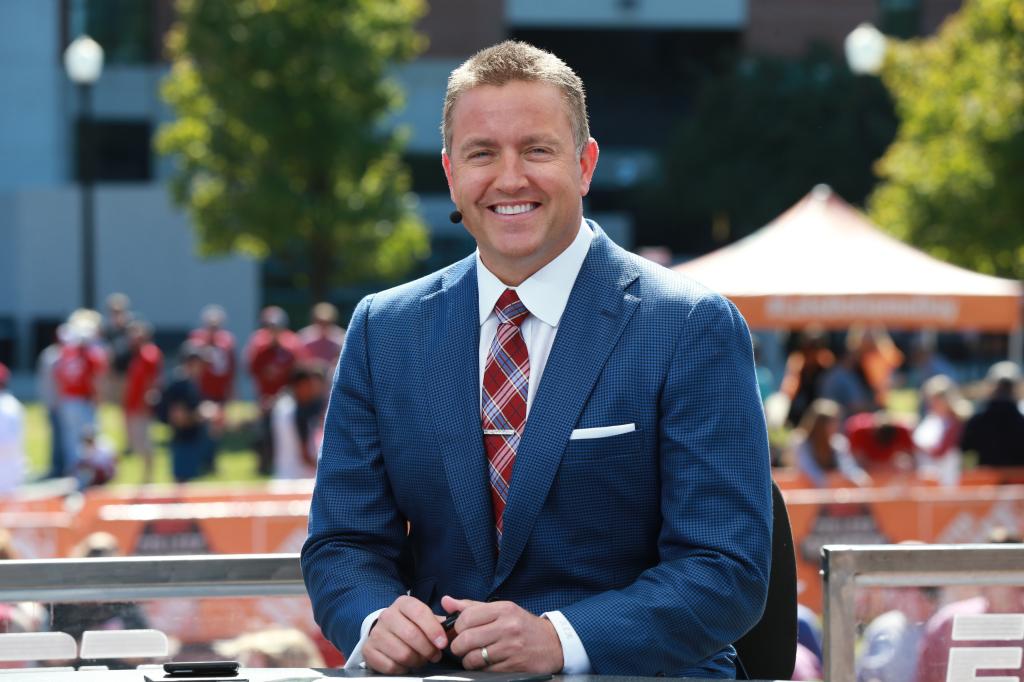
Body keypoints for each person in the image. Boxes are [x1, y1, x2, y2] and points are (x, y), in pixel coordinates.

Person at [301, 41, 771, 678]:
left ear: (585, 164)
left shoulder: (690, 326)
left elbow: (727, 568)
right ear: (450, 173)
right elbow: (343, 542)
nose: (510, 178)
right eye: (482, 153)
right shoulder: (385, 330)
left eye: (537, 149)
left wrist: (561, 639)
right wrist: (373, 617)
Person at [245, 306, 308, 475]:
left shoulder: (292, 344)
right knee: (262, 432)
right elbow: (253, 370)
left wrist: (284, 394)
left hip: (288, 397)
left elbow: (299, 373)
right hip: (265, 397)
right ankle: (263, 464)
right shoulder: (258, 344)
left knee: (287, 432)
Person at [157, 343, 217, 482]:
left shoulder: (191, 382)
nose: (201, 367)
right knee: (182, 484)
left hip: (192, 438)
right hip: (183, 440)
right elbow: (177, 417)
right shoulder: (180, 383)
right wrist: (201, 414)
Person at [786, 398, 870, 488]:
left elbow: (849, 468)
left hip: (831, 497)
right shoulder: (800, 443)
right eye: (832, 422)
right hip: (805, 495)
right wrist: (831, 481)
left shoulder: (838, 443)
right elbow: (808, 471)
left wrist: (859, 479)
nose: (836, 426)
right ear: (819, 425)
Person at [960, 361, 1024, 467]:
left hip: (986, 481)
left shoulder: (977, 420)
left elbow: (965, 450)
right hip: (1013, 481)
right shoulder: (1021, 420)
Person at [271, 362, 328, 480]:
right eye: (309, 385)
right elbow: (305, 456)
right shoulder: (296, 411)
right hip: (300, 478)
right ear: (300, 385)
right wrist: (329, 469)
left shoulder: (282, 406)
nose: (312, 390)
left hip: (282, 476)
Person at [122, 321, 163, 484]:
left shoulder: (149, 353)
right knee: (136, 442)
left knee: (144, 442)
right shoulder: (136, 355)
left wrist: (146, 403)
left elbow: (152, 381)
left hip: (141, 406)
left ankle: (149, 476)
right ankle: (145, 475)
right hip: (132, 405)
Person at [913, 374, 969, 485]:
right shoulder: (930, 419)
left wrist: (919, 447)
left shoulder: (954, 422)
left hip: (946, 476)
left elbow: (941, 451)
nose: (932, 403)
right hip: (925, 476)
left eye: (936, 399)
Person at [781, 326, 834, 426]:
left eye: (815, 347)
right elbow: (789, 391)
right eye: (808, 347)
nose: (811, 352)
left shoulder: (826, 364)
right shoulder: (797, 363)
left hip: (820, 412)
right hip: (798, 413)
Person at [188, 304, 237, 404]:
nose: (213, 330)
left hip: (220, 391)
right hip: (200, 390)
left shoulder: (227, 342)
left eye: (216, 326)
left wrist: (232, 391)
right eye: (210, 326)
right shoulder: (196, 339)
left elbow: (231, 368)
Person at [36, 325, 68, 479]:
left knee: (67, 437)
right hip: (55, 402)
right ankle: (57, 467)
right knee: (57, 437)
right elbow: (48, 382)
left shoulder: (65, 354)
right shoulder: (51, 355)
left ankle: (65, 467)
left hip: (65, 403)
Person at [0, 363, 27, 495]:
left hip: (7, 471)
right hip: (12, 469)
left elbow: (6, 443)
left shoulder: (7, 406)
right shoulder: (12, 404)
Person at [298, 302, 346, 369]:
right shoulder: (303, 336)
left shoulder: (342, 337)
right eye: (320, 321)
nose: (323, 325)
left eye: (327, 322)